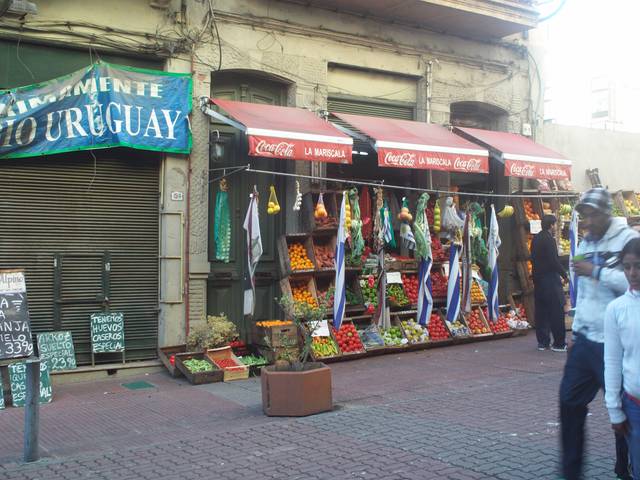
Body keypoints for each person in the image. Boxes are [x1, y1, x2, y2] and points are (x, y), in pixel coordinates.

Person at [559, 187, 637, 480]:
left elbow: (631, 283)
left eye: (591, 215)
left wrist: (595, 271)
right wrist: (576, 330)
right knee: (569, 402)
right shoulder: (584, 241)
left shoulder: (628, 240)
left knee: (621, 410)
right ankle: (570, 471)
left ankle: (625, 467)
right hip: (586, 340)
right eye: (583, 215)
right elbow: (584, 294)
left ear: (606, 213)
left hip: (615, 343)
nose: (586, 221)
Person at [604, 238, 640, 479]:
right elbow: (613, 362)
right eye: (627, 267)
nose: (632, 273)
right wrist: (614, 410)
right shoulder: (616, 309)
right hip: (634, 406)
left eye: (638, 266)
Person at [530, 214, 567, 351]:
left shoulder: (535, 239)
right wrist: (564, 274)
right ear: (552, 225)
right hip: (550, 279)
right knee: (556, 311)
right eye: (555, 224)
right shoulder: (549, 239)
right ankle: (559, 343)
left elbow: (532, 258)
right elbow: (553, 261)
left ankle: (543, 342)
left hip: (538, 279)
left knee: (541, 312)